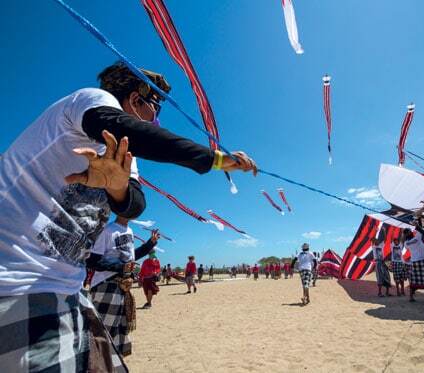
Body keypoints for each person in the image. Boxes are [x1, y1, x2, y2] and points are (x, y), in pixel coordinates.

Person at [0, 62, 258, 371]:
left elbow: (134, 205)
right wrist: (214, 159)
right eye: (155, 110)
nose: (156, 121)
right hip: (17, 281)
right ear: (136, 100)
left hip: (65, 287)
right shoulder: (90, 100)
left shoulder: (126, 157)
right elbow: (124, 128)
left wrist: (118, 185)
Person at [89, 216, 159, 357]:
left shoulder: (130, 231)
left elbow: (131, 257)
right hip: (106, 285)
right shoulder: (107, 230)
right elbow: (92, 262)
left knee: (118, 332)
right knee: (103, 333)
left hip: (123, 287)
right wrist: (120, 267)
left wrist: (150, 244)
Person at [404, 219, 424, 303]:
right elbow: (419, 229)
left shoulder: (406, 243)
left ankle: (411, 297)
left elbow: (407, 247)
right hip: (423, 260)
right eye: (410, 232)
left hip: (414, 262)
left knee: (414, 280)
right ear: (410, 233)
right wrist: (418, 220)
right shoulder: (417, 238)